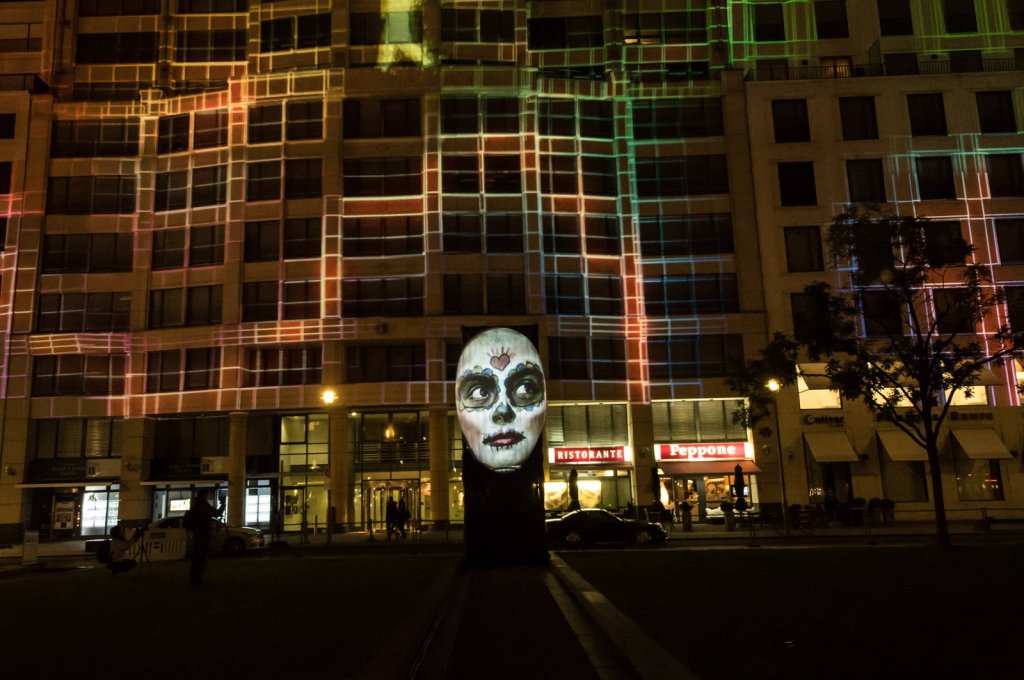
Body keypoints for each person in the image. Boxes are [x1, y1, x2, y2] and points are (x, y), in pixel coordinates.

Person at [187, 489, 225, 589]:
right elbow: (216, 513)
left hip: (197, 536)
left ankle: (193, 581)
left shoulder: (195, 505)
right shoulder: (203, 505)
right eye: (207, 494)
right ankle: (197, 582)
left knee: (196, 560)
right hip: (203, 536)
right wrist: (223, 505)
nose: (208, 496)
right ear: (203, 495)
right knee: (201, 559)